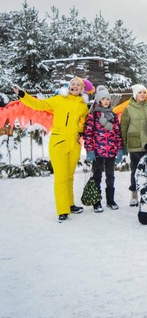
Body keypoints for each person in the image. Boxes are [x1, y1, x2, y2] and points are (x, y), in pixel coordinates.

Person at [13, 78, 91, 222]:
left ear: (82, 89)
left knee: (69, 176)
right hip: (59, 143)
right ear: (69, 86)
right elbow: (39, 104)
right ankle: (62, 210)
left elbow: (83, 123)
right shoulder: (59, 99)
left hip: (74, 144)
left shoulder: (83, 106)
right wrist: (23, 94)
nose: (75, 86)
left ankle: (70, 204)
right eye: (72, 83)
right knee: (61, 177)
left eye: (78, 85)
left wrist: (80, 131)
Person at [83, 85, 124, 212]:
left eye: (108, 99)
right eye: (103, 99)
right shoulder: (92, 116)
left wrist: (120, 149)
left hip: (111, 151)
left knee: (110, 176)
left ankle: (110, 200)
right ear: (98, 101)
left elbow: (118, 133)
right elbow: (88, 134)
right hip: (97, 152)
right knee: (97, 175)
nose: (106, 101)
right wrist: (89, 150)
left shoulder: (113, 116)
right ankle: (97, 201)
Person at [121, 84, 147, 207]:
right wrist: (123, 144)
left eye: (144, 92)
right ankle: (134, 193)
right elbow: (123, 127)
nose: (142, 95)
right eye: (140, 93)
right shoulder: (128, 109)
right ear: (135, 95)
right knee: (136, 170)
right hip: (135, 144)